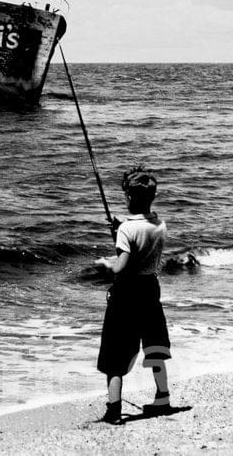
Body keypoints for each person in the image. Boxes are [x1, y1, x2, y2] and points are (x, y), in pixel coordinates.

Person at [95, 165, 173, 425]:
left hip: (127, 293)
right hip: (150, 288)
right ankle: (163, 397)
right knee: (155, 343)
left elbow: (123, 265)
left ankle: (114, 410)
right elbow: (144, 228)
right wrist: (121, 226)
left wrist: (107, 265)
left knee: (115, 351)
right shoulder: (160, 225)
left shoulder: (126, 231)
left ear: (129, 197)